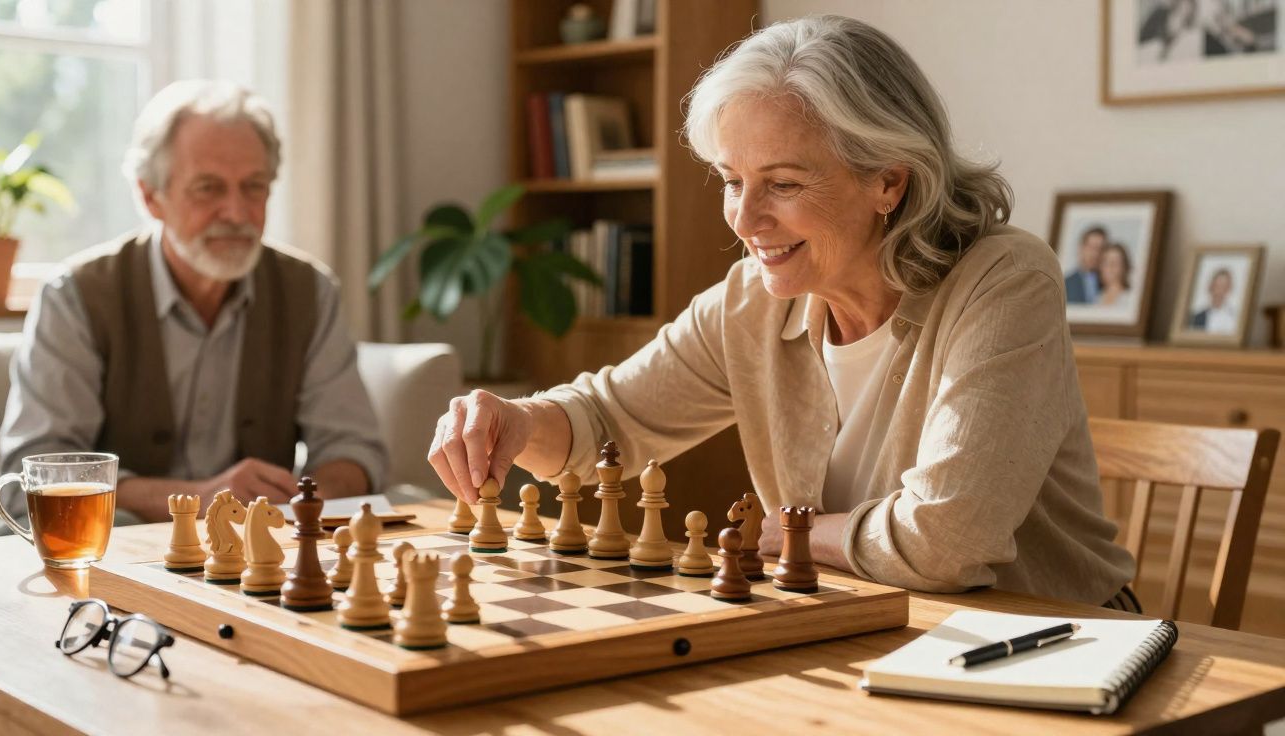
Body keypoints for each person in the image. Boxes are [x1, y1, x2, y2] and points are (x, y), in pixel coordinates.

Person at [428, 16, 1136, 608]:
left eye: (783, 183)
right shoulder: (751, 304)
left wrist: (791, 534)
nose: (745, 217)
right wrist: (518, 423)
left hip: (1050, 649)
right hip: (868, 633)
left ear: (889, 180)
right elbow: (607, 424)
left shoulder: (1004, 281)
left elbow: (949, 541)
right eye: (732, 181)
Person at [0, 80, 388, 525]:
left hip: (258, 545)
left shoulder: (310, 292)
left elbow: (353, 450)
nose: (237, 213)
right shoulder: (76, 295)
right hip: (120, 537)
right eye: (208, 188)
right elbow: (38, 470)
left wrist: (307, 500)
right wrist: (198, 498)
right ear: (150, 196)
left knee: (405, 503)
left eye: (254, 187)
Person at [1064, 226, 1107, 305]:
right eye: (1091, 248)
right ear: (1081, 248)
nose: (1095, 254)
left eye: (1100, 249)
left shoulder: (1108, 282)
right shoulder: (1066, 283)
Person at [1189, 268, 1237, 333]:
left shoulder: (1234, 318)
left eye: (1223, 286)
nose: (1219, 291)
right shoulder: (1196, 318)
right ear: (1211, 287)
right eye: (1217, 286)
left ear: (1228, 289)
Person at [1096, 242, 1133, 309]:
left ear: (1124, 267)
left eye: (1115, 263)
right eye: (1106, 262)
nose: (1110, 267)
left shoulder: (1130, 299)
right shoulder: (1096, 299)